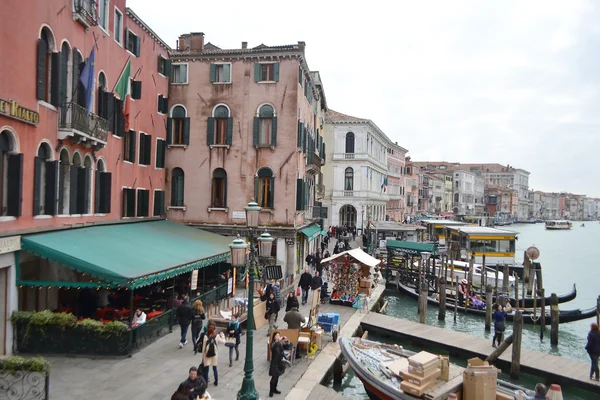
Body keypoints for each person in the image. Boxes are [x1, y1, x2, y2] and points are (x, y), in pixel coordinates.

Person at [269, 331, 286, 397]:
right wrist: (278, 341)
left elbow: (285, 347)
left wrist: (287, 341)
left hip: (279, 362)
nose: (278, 337)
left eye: (278, 335)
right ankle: (271, 391)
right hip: (274, 363)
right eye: (276, 336)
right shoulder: (273, 343)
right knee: (274, 377)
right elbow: (273, 349)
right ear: (274, 337)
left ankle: (274, 389)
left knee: (277, 376)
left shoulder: (280, 343)